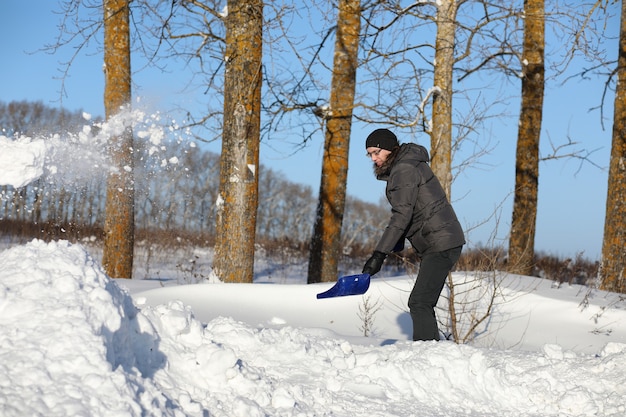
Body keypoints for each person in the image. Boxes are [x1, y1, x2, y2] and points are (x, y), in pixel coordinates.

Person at [361, 128, 465, 341]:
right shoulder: (407, 165)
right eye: (370, 154)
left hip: (441, 242)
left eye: (377, 152)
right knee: (421, 301)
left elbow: (401, 215)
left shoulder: (404, 169)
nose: (373, 158)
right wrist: (398, 238)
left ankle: (428, 354)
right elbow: (412, 209)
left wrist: (379, 254)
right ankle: (431, 348)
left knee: (419, 302)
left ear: (389, 149)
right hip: (440, 241)